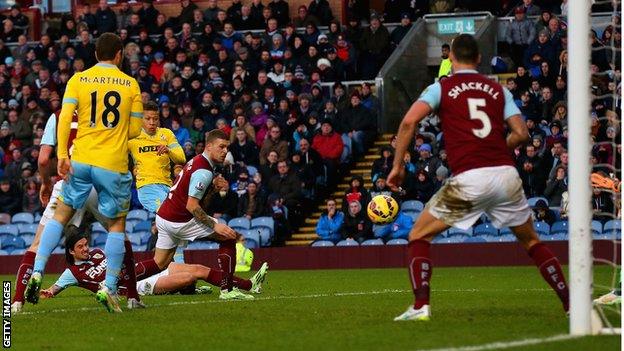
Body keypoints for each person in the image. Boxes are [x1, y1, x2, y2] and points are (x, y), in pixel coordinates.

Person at [387, 34, 569, 321]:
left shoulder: (442, 87)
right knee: (533, 242)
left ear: (450, 59)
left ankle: (421, 306)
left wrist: (397, 166)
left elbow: (409, 121)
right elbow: (521, 133)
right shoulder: (498, 89)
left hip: (471, 177)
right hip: (506, 174)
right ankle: (572, 305)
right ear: (480, 59)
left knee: (418, 235)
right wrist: (496, 147)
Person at [26, 33, 144, 313]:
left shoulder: (77, 79)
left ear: (95, 55)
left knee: (61, 214)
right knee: (116, 225)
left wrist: (63, 156)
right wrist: (113, 135)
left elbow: (65, 118)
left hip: (80, 160)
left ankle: (38, 271)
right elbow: (137, 130)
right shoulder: (130, 84)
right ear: (119, 55)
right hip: (112, 163)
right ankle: (110, 287)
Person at [11, 110, 110, 314]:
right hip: (98, 183)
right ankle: (130, 297)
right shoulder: (102, 112)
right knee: (118, 233)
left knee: (36, 245)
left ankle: (17, 300)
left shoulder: (57, 116)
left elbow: (43, 160)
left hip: (69, 183)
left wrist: (46, 183)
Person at [155, 129, 254, 300]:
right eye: (221, 147)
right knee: (228, 236)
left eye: (227, 148)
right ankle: (227, 291)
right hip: (180, 219)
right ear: (209, 146)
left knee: (159, 263)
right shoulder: (204, 171)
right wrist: (215, 225)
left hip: (164, 217)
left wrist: (213, 188)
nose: (225, 152)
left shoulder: (197, 161)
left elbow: (198, 202)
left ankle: (120, 283)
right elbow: (192, 206)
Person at [39, 233, 268, 298]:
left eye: (86, 244)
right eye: (81, 247)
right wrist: (48, 292)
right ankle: (187, 288)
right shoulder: (72, 272)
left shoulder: (99, 253)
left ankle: (249, 284)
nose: (86, 249)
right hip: (138, 287)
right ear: (71, 251)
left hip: (144, 270)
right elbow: (55, 289)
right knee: (190, 278)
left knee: (198, 268)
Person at [129, 101, 186, 213]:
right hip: (147, 186)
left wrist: (168, 150)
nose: (152, 122)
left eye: (155, 119)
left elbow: (181, 158)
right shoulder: (132, 136)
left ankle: (156, 229)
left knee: (172, 222)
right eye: (148, 119)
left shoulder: (167, 134)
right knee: (171, 214)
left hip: (167, 186)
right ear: (141, 119)